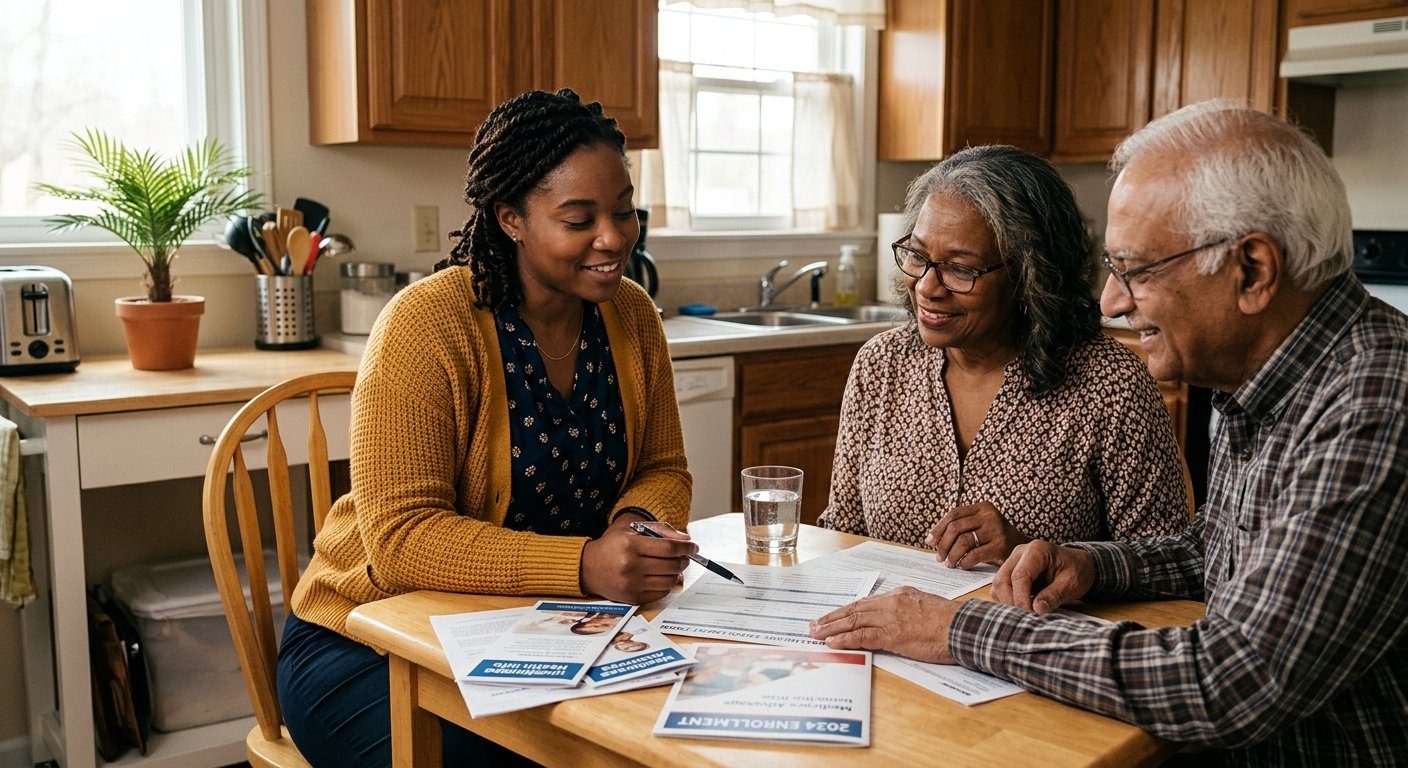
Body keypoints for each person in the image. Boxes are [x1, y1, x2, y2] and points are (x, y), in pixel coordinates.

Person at [809, 101, 1408, 765]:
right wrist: (1089, 562)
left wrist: (960, 627)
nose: (1111, 303)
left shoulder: (1376, 400)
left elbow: (1232, 681)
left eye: (1137, 271)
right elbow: (1216, 551)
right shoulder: (1275, 383)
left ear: (1252, 271)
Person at [277, 89, 698, 767]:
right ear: (511, 218)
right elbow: (401, 541)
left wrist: (639, 524)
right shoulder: (426, 326)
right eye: (578, 218)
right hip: (370, 638)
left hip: (541, 628)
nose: (613, 237)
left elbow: (663, 466)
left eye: (624, 211)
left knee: (657, 743)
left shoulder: (632, 316)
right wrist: (586, 565)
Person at [818, 145, 1187, 565]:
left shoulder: (1109, 383)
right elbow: (843, 533)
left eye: (960, 268)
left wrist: (1032, 550)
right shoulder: (881, 365)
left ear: (1031, 276)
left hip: (1033, 630)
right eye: (918, 256)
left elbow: (1170, 564)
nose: (926, 287)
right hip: (894, 628)